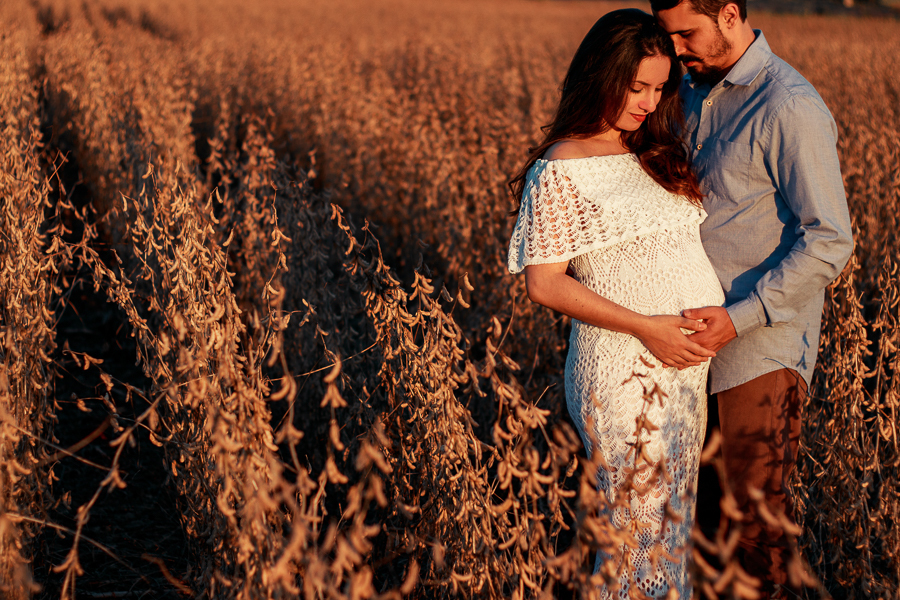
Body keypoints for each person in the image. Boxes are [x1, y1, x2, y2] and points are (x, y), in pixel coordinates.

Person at [507, 9, 725, 598]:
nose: (650, 102)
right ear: (603, 76)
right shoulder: (562, 166)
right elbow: (545, 283)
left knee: (666, 534)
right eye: (637, 88)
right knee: (636, 537)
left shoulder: (651, 152)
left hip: (680, 371)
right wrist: (648, 327)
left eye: (659, 88)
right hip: (622, 368)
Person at [650, 0, 854, 595]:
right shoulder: (689, 91)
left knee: (756, 531)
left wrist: (739, 319)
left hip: (757, 351)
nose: (677, 48)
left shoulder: (788, 105)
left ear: (730, 14)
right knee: (700, 528)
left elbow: (829, 241)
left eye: (686, 33)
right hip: (687, 348)